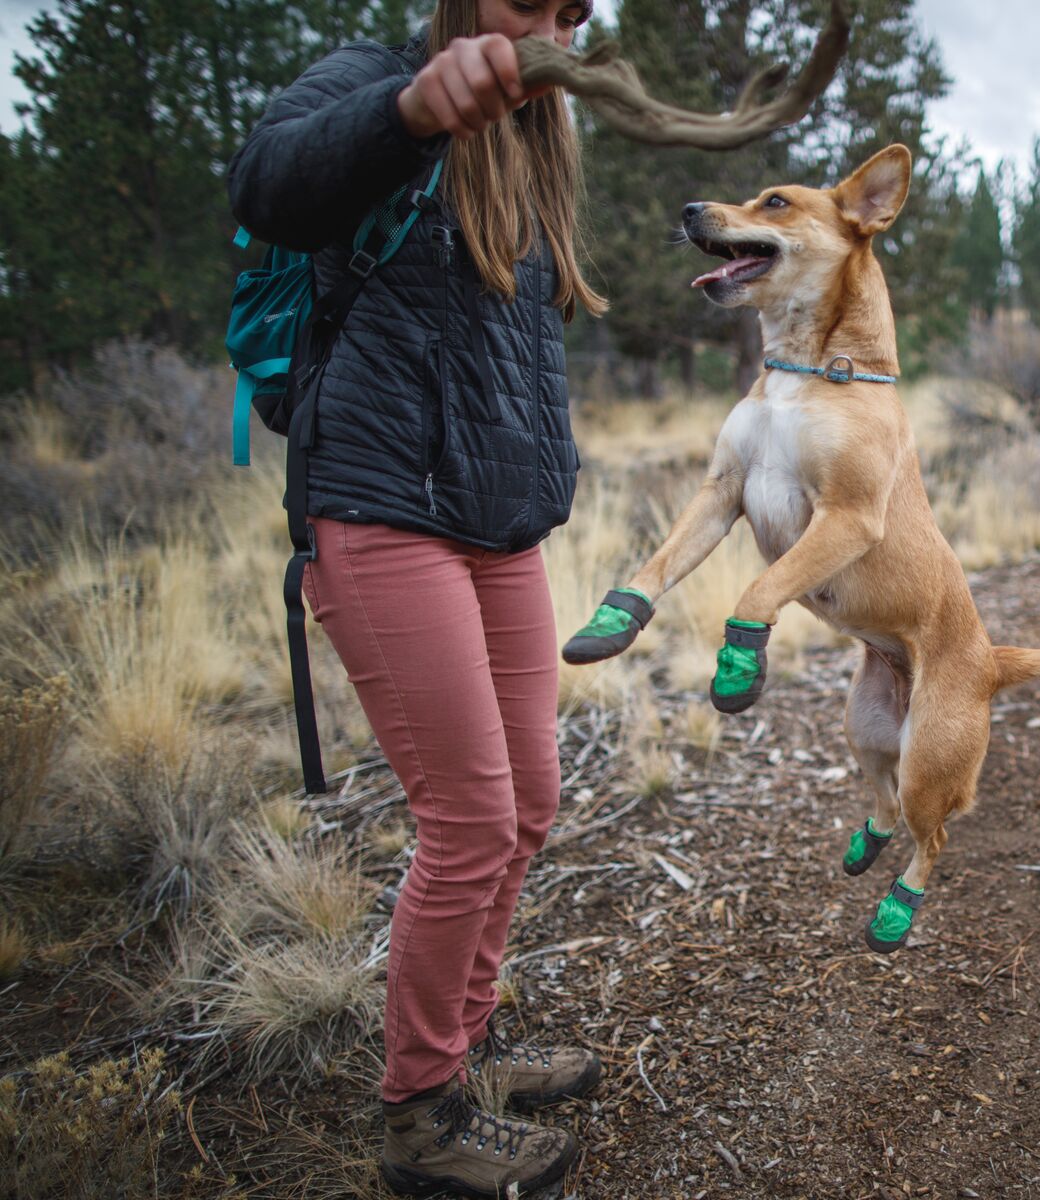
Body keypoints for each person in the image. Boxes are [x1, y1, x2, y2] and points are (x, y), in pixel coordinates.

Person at [228, 2, 608, 1194]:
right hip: (383, 507)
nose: (546, 25)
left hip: (495, 523)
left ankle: (471, 1034)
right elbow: (270, 187)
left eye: (568, 10)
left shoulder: (538, 144)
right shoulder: (375, 80)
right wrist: (409, 113)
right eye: (527, 2)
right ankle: (422, 1114)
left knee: (531, 797)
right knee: (471, 819)